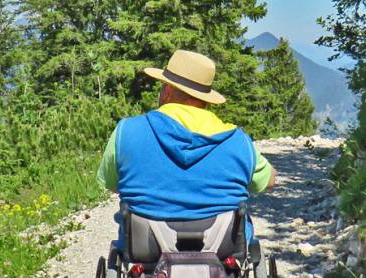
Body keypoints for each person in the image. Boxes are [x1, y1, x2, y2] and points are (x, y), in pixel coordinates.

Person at [97, 49, 275, 244]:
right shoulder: (237, 140)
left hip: (145, 247)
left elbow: (111, 182)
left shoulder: (127, 131)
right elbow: (268, 182)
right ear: (206, 99)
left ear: (167, 91)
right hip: (221, 248)